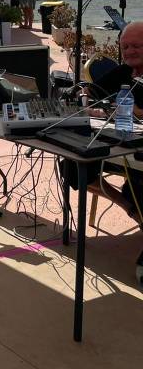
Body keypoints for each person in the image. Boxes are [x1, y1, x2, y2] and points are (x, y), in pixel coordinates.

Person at [73, 21, 143, 225]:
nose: (129, 51)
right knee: (72, 165)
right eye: (125, 47)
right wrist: (87, 102)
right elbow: (90, 94)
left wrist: (135, 111)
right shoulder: (122, 72)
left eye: (136, 46)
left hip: (137, 151)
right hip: (118, 144)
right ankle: (129, 208)